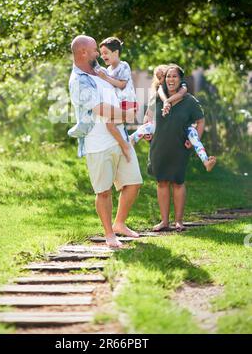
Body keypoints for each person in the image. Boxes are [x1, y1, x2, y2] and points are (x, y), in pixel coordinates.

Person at [68, 35, 143, 248]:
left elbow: (120, 89)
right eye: (94, 50)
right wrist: (128, 116)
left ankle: (120, 223)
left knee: (134, 183)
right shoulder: (79, 81)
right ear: (83, 52)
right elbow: (100, 109)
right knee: (104, 191)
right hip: (98, 143)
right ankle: (109, 234)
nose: (98, 54)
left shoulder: (101, 71)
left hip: (120, 138)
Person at [146, 64, 211, 232]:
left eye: (174, 76)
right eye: (168, 76)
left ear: (181, 79)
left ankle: (179, 221)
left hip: (179, 147)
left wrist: (195, 137)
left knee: (178, 182)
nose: (171, 79)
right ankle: (164, 221)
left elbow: (201, 121)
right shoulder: (157, 98)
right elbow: (148, 117)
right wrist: (146, 131)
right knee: (161, 182)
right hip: (159, 146)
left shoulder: (189, 101)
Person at [142, 64, 216, 172]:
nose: (163, 80)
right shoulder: (157, 95)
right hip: (160, 139)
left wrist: (167, 101)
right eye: (159, 78)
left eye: (164, 76)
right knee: (161, 180)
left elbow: (182, 93)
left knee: (193, 136)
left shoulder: (182, 88)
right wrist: (145, 131)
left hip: (180, 135)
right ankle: (132, 139)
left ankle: (205, 161)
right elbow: (148, 114)